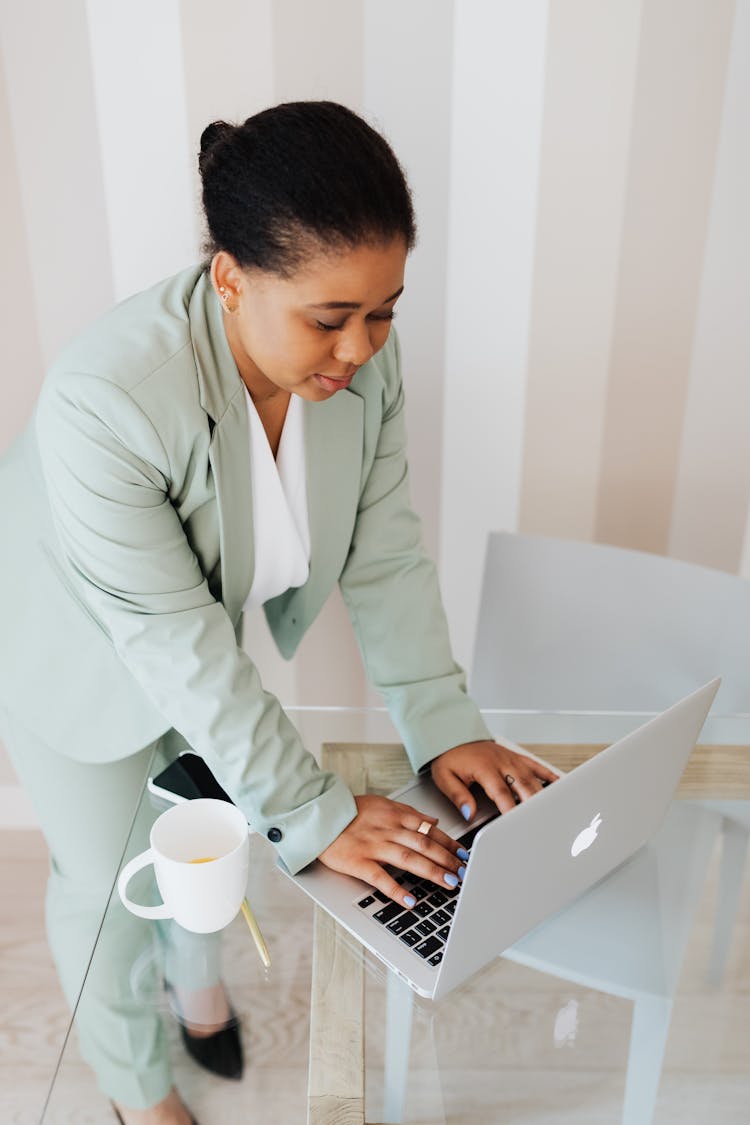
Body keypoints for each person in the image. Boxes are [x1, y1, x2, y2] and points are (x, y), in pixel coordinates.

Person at [0, 101, 557, 1124]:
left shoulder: (360, 367)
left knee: (208, 832)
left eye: (384, 309)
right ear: (229, 277)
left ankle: (198, 987)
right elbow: (174, 640)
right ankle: (136, 1087)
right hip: (66, 651)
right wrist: (318, 816)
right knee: (110, 883)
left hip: (189, 639)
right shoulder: (104, 399)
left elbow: (384, 550)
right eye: (329, 318)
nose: (361, 347)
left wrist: (445, 723)